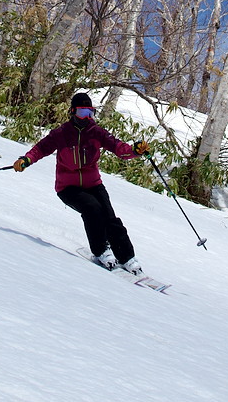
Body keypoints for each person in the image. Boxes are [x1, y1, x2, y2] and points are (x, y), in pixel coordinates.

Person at [13, 92, 149, 274]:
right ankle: (102, 251)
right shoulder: (61, 133)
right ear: (72, 112)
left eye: (89, 112)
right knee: (92, 209)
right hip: (68, 188)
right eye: (82, 112)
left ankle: (128, 258)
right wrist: (26, 160)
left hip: (93, 184)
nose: (86, 117)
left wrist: (135, 151)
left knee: (110, 217)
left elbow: (118, 148)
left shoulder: (97, 132)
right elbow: (40, 148)